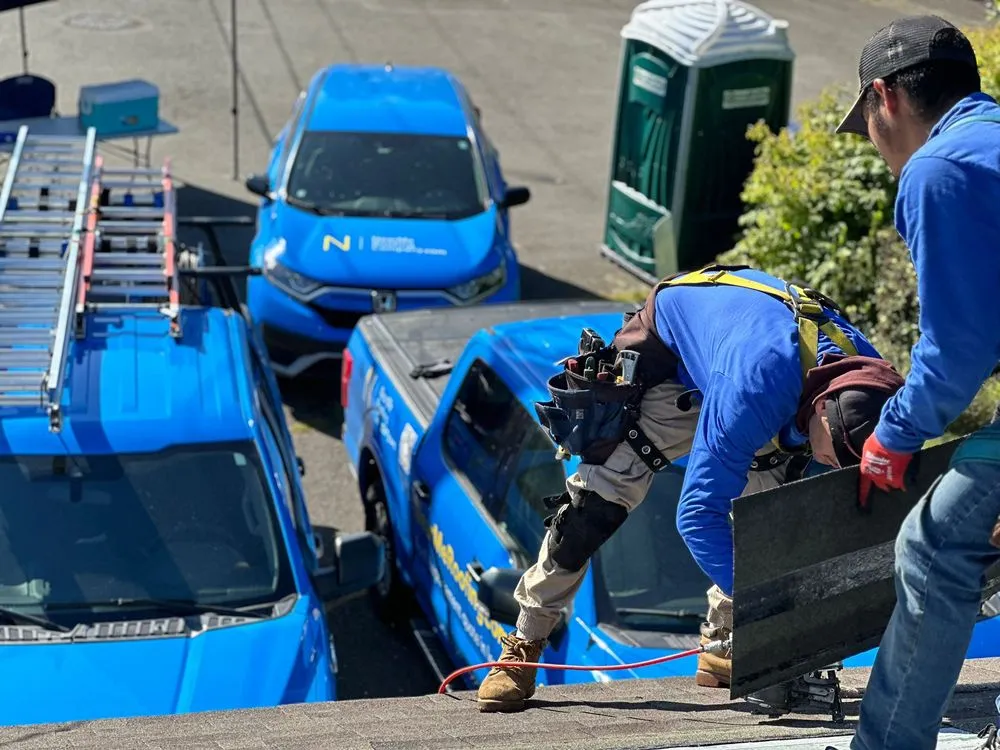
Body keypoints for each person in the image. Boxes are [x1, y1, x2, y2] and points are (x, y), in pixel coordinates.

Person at [475, 263, 905, 713]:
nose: (831, 467)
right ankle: (523, 644)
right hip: (673, 358)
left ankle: (722, 647)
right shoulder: (754, 389)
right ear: (820, 414)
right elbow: (697, 516)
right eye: (832, 456)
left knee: (766, 518)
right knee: (595, 503)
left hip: (748, 367)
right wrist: (769, 606)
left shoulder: (873, 383)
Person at [827, 14, 1000, 750]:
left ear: (882, 97)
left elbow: (959, 348)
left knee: (933, 545)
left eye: (863, 121)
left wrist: (893, 436)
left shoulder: (941, 168)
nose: (871, 140)